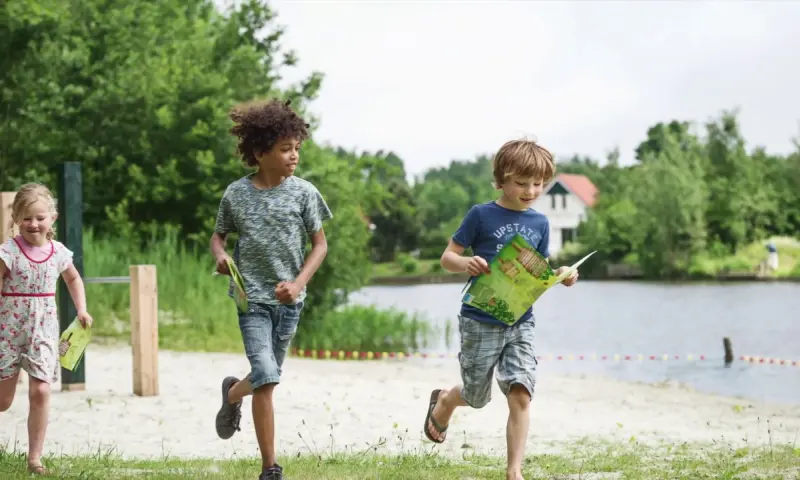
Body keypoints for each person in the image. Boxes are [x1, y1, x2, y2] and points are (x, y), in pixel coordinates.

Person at [422, 138, 578, 480]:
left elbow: (539, 271)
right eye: (521, 183)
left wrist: (561, 277)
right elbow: (447, 257)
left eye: (538, 183)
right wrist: (465, 263)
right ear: (502, 180)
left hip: (521, 320)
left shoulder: (540, 223)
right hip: (480, 320)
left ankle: (514, 471)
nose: (531, 190)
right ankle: (446, 401)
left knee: (521, 391)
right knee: (477, 397)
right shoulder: (481, 214)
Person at [210, 98, 332, 480]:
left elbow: (320, 245)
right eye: (285, 149)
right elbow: (218, 237)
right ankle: (270, 468)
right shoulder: (236, 194)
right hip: (252, 301)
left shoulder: (304, 193)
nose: (294, 156)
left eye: (297, 148)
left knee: (268, 375)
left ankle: (231, 395)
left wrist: (297, 285)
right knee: (266, 375)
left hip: (289, 304)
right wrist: (221, 257)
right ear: (260, 153)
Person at [0, 183, 93, 476]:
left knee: (41, 390)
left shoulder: (59, 252)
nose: (33, 224)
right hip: (8, 329)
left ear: (52, 218)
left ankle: (34, 459)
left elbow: (74, 279)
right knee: (3, 402)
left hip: (43, 330)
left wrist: (81, 309)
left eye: (40, 217)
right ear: (16, 218)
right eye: (27, 217)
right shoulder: (9, 251)